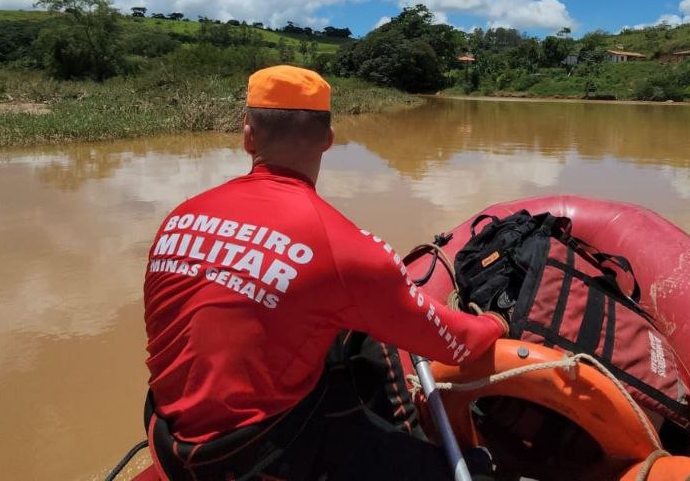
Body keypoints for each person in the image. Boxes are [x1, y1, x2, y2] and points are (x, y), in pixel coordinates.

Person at [143, 65, 507, 480]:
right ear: (329, 140)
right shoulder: (344, 248)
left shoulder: (181, 215)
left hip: (168, 438)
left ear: (248, 137)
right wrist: (494, 321)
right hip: (252, 456)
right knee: (474, 470)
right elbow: (457, 346)